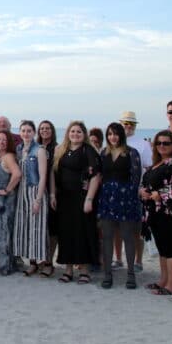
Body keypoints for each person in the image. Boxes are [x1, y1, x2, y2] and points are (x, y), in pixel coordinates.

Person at [51, 121, 101, 285]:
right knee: (66, 234)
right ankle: (68, 270)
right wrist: (53, 194)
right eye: (72, 131)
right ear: (68, 133)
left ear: (84, 134)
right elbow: (54, 173)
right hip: (64, 199)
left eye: (79, 131)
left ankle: (84, 271)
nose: (75, 134)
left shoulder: (88, 151)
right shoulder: (61, 150)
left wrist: (89, 199)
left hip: (82, 198)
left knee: (83, 233)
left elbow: (96, 176)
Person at [139, 130, 172, 295]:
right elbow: (147, 184)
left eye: (166, 143)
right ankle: (163, 280)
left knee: (170, 250)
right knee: (162, 249)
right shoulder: (156, 164)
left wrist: (159, 195)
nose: (162, 146)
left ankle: (171, 285)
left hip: (168, 213)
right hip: (154, 213)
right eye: (159, 143)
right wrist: (143, 192)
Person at [98, 122, 143, 290]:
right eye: (109, 134)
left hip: (126, 199)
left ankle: (131, 274)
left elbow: (136, 177)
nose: (112, 137)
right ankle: (108, 274)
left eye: (115, 134)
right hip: (107, 198)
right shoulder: (103, 153)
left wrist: (131, 198)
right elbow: (99, 175)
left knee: (128, 236)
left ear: (121, 135)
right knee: (107, 236)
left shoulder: (132, 153)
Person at [117, 111, 151, 272]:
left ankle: (138, 261)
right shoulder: (113, 141)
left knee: (137, 229)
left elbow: (149, 167)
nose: (128, 126)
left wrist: (143, 188)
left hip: (136, 192)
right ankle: (118, 259)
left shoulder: (143, 144)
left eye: (131, 124)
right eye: (125, 123)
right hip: (116, 192)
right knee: (116, 227)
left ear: (135, 126)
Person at [14, 120, 49, 276]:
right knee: (26, 228)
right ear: (20, 132)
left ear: (34, 133)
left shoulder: (39, 150)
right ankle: (32, 262)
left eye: (29, 130)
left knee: (39, 228)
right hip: (22, 192)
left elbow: (43, 176)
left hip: (35, 191)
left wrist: (38, 199)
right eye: (23, 130)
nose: (26, 133)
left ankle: (44, 263)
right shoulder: (19, 149)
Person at [0, 130, 21, 275]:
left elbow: (17, 174)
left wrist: (7, 190)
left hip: (4, 203)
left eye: (4, 140)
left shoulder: (8, 156)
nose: (1, 142)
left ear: (9, 142)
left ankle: (5, 266)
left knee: (4, 232)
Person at [38, 120, 59, 278]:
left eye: (47, 128)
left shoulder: (57, 148)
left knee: (52, 228)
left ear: (52, 131)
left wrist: (53, 193)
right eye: (42, 128)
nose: (45, 131)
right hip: (36, 192)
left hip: (53, 190)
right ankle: (42, 258)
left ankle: (49, 261)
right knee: (41, 227)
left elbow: (54, 172)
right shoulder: (35, 147)